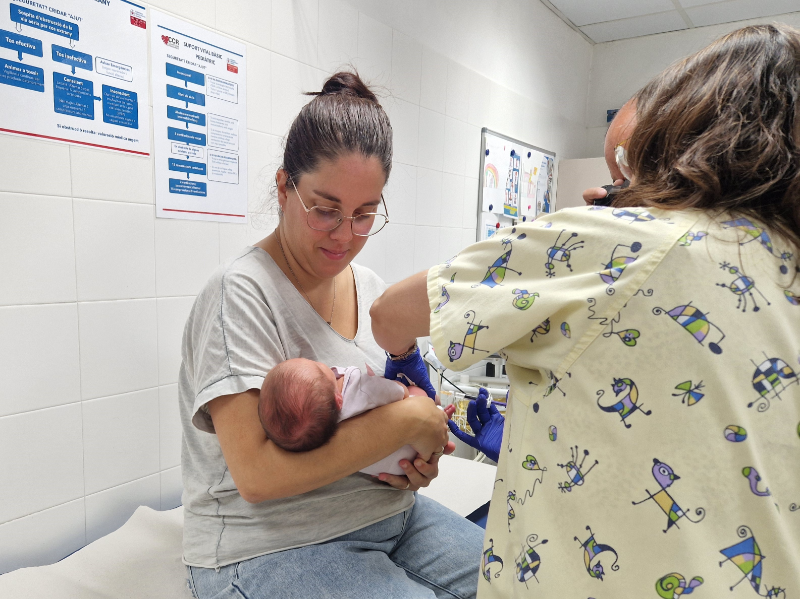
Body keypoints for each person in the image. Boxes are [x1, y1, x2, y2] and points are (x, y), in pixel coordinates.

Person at [371, 25, 800, 598]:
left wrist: (405, 364)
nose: (615, 193)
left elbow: (387, 315)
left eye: (624, 174)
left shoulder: (620, 242)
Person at [179, 71, 484, 599]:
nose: (345, 234)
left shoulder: (370, 291)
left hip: (391, 515)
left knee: (522, 580)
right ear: (284, 187)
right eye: (325, 210)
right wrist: (407, 419)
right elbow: (257, 477)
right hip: (272, 543)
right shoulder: (242, 292)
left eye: (365, 214)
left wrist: (417, 462)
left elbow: (392, 414)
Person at [258, 358, 426, 475]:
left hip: (389, 468)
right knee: (418, 394)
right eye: (317, 367)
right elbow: (399, 392)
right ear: (338, 400)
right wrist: (402, 388)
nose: (320, 363)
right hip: (411, 445)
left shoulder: (322, 426)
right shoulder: (360, 389)